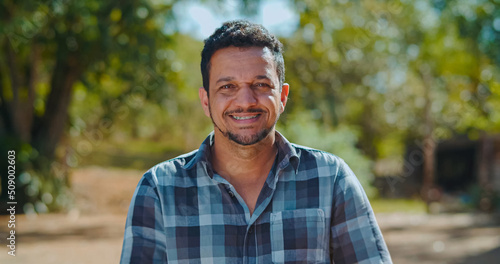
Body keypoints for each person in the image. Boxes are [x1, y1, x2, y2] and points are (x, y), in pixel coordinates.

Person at [120, 20, 392, 264]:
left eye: (261, 85)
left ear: (282, 96)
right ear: (206, 101)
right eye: (227, 87)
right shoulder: (159, 189)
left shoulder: (331, 179)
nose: (246, 101)